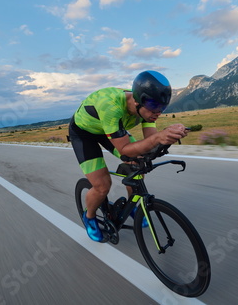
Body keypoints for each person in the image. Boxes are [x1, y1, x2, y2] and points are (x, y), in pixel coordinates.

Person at [69, 70, 188, 242]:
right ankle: (89, 217)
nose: (159, 112)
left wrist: (169, 135)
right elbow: (125, 148)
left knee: (138, 162)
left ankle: (131, 205)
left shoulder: (148, 106)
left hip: (109, 130)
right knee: (102, 185)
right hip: (84, 134)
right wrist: (158, 137)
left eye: (163, 107)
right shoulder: (111, 106)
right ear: (139, 101)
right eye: (155, 107)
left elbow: (150, 142)